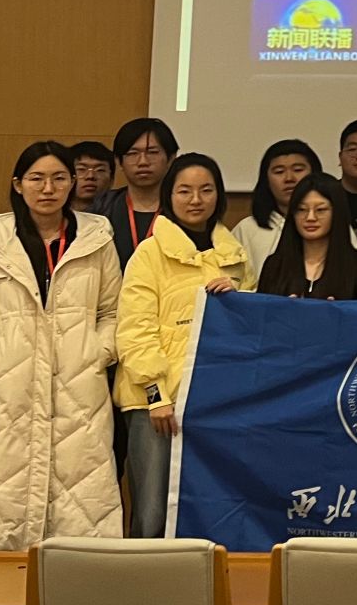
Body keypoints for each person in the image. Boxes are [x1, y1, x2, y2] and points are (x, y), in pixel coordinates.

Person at [0, 142, 122, 551]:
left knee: (80, 509)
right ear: (18, 185)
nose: (48, 188)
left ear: (72, 183)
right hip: (6, 391)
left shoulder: (96, 240)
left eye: (58, 178)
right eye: (37, 178)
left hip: (79, 391)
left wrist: (97, 353)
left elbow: (113, 312)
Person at [115, 153, 247, 538]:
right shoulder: (149, 253)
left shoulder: (235, 258)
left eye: (206, 190)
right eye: (184, 191)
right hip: (156, 404)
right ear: (169, 196)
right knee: (152, 511)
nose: (196, 199)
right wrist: (156, 395)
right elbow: (135, 329)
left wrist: (238, 297)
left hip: (214, 401)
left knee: (206, 508)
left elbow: (250, 329)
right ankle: (142, 579)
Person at [259, 175, 357, 301]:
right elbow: (261, 310)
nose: (310, 217)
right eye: (302, 209)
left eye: (320, 210)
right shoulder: (275, 265)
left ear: (337, 213)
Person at [231, 138, 322, 281]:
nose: (289, 178)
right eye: (279, 172)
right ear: (266, 180)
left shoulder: (334, 223)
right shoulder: (247, 229)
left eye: (298, 170)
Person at [97, 117, 177, 267]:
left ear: (171, 158)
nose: (143, 162)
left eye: (152, 152)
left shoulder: (184, 209)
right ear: (119, 161)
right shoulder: (100, 209)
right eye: (133, 153)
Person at [70, 141, 116, 213]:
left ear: (111, 179)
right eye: (81, 169)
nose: (90, 176)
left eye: (100, 170)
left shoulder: (121, 213)